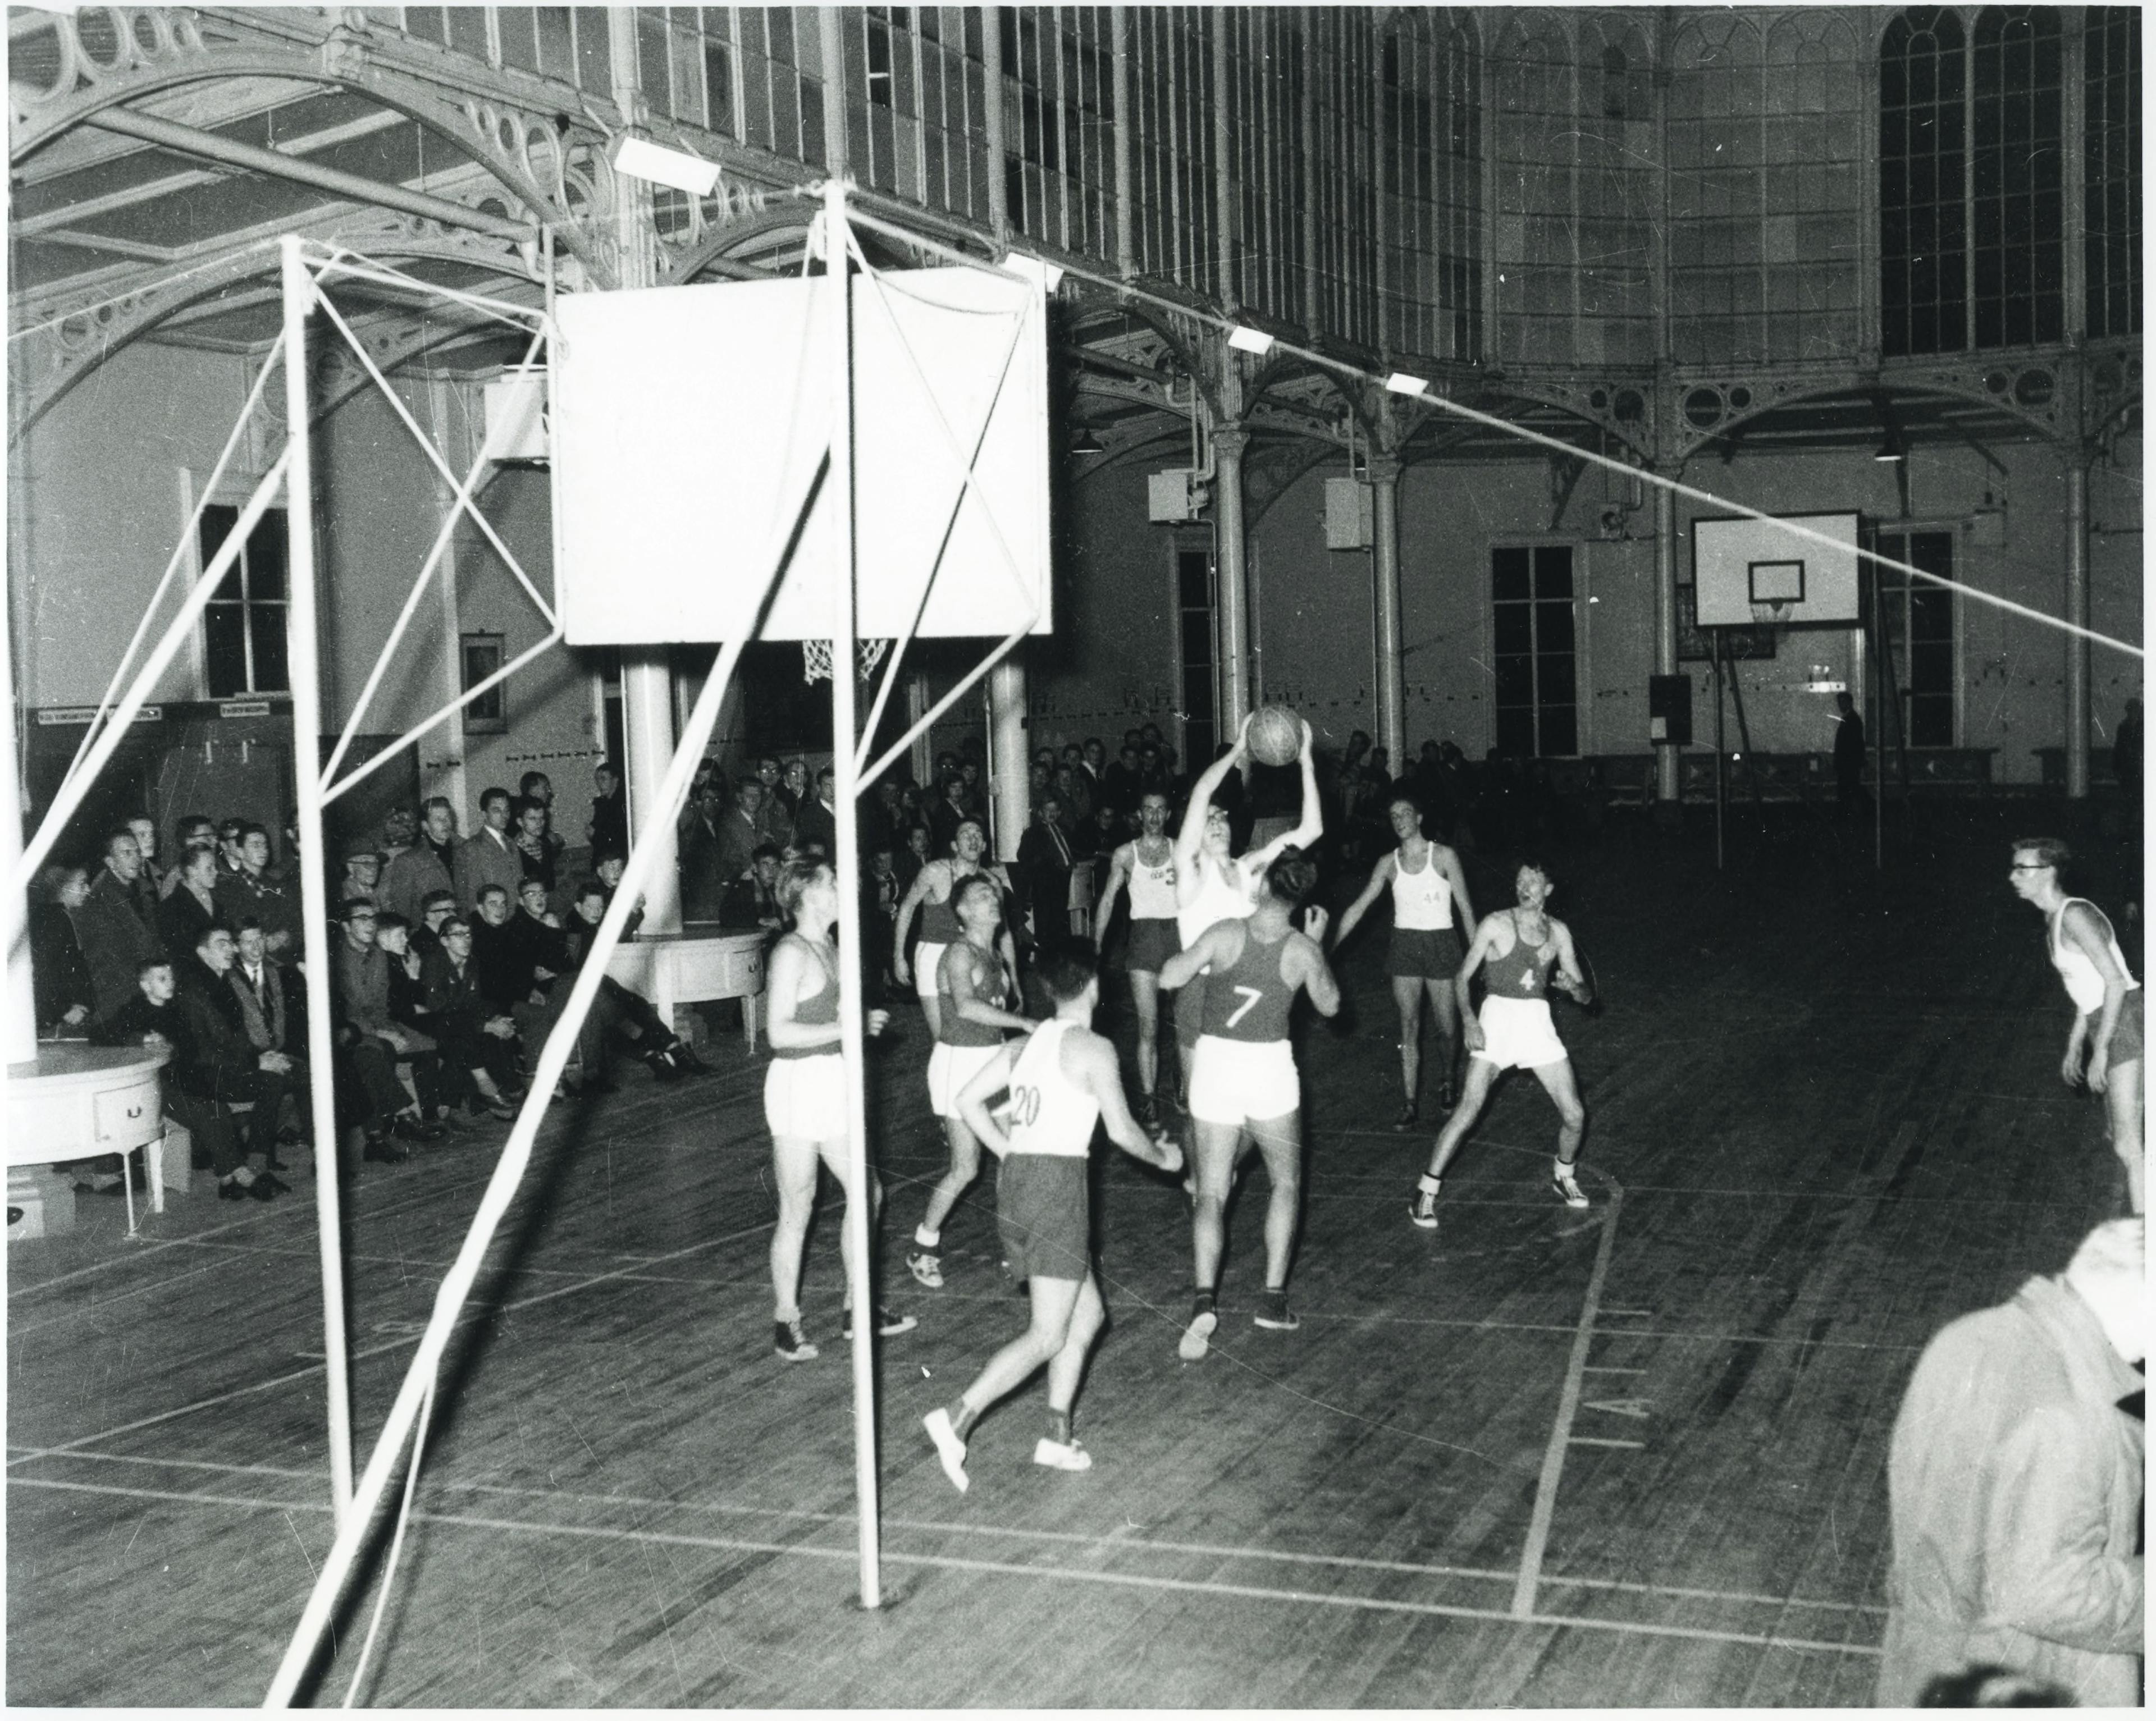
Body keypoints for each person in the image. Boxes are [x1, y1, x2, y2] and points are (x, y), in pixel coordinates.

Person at [923, 943, 1185, 1490]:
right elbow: (1122, 1132)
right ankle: (955, 1419)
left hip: (1020, 1183)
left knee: (1086, 1316)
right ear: (1093, 987)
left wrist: (1010, 1152)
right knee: (1047, 1334)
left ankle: (1056, 1437)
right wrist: (1167, 1159)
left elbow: (969, 1101)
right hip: (1058, 1188)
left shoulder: (1025, 1043)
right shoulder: (1093, 1048)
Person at [1878, 1218, 2144, 1708]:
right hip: (2035, 1677)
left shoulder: (1965, 1335)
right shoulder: (2077, 1416)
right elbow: (2048, 1594)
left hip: (1931, 1662)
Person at [1158, 850, 1339, 1356]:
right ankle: (1273, 1300)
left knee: (1212, 1192)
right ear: (1301, 897)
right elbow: (1331, 1006)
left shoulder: (1225, 931)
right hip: (1267, 1070)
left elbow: (1171, 976)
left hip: (1216, 1064)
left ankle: (1202, 1301)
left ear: (1260, 887)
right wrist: (1318, 948)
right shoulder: (1302, 947)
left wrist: (1193, 960)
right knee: (1286, 1181)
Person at [762, 858, 917, 1361]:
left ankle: (857, 1308)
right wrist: (846, 1028)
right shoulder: (790, 952)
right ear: (807, 894)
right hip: (797, 1081)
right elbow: (778, 1033)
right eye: (830, 882)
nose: (840, 887)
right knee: (798, 1204)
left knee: (867, 1192)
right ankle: (787, 1320)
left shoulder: (831, 946)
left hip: (832, 1078)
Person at [1411, 858, 1596, 1228]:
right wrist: (1468, 1020)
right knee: (1468, 1110)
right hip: (1497, 1020)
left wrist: (1572, 987)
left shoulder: (1559, 932)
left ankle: (1563, 1174)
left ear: (1548, 890)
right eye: (1519, 879)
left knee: (1575, 1115)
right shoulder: (1495, 923)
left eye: (1532, 881)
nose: (1524, 886)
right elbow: (1462, 978)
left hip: (1536, 1023)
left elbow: (1587, 997)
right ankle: (1424, 1192)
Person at [1168, 713, 1322, 1111]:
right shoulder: (1191, 871)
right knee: (1199, 1105)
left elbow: (1311, 831)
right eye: (1208, 820)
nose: (1217, 823)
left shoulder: (1249, 867)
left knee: (1244, 1105)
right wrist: (1239, 749)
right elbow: (1202, 793)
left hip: (1249, 986)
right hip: (1200, 991)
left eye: (1223, 818)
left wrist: (1305, 760)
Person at [907, 875, 1031, 1289]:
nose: (994, 900)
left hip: (993, 1062)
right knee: (965, 1167)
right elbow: (966, 1007)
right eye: (983, 896)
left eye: (995, 894)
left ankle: (1016, 1250)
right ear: (962, 910)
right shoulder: (958, 955)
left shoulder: (991, 951)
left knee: (1013, 1157)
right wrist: (1024, 1023)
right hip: (959, 1066)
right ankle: (923, 1245)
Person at [2010, 837, 2144, 1212]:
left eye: (2024, 869)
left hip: (2127, 1019)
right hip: (2110, 1018)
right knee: (2116, 1134)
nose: (2013, 876)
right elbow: (2087, 991)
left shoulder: (2075, 915)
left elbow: (2116, 983)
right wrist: (2074, 1045)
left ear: (2049, 872)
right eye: (2014, 868)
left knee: (2128, 1144)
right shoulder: (2055, 918)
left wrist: (2100, 1050)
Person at [1330, 792, 1477, 1126]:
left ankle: (1449, 1078)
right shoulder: (1387, 863)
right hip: (1405, 945)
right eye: (1394, 816)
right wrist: (1329, 949)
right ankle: (1410, 1103)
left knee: (1447, 1028)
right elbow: (1358, 908)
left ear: (1419, 818)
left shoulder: (1444, 856)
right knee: (1408, 1026)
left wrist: (1475, 959)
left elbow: (1467, 910)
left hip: (1442, 944)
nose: (1400, 821)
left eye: (1405, 813)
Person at [1091, 790, 1182, 1126]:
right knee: (1149, 1026)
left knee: (1184, 1022)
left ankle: (1181, 1079)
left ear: (1168, 815)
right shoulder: (1125, 854)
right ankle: (1149, 1098)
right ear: (1139, 816)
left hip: (1178, 940)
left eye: (1161, 810)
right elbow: (1107, 900)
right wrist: (1096, 943)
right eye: (1149, 810)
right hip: (1143, 943)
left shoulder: (1181, 849)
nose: (1155, 816)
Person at [892, 817, 1015, 1040]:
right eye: (966, 834)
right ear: (955, 846)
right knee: (943, 1036)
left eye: (978, 834)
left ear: (985, 845)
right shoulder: (935, 872)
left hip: (974, 955)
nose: (973, 839)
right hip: (935, 951)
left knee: (982, 1030)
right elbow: (907, 908)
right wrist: (899, 956)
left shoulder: (991, 882)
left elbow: (1004, 933)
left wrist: (1013, 977)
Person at [74, 827, 165, 1028]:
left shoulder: (145, 893)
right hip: (121, 997)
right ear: (110, 862)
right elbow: (106, 959)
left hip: (149, 992)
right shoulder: (99, 901)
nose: (136, 859)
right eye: (127, 853)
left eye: (137, 852)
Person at [31, 864, 97, 1036]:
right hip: (60, 1022)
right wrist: (63, 1009)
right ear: (62, 886)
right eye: (82, 884)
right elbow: (42, 970)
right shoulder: (55, 920)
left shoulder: (58, 916)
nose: (88, 890)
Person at [379, 798, 458, 926]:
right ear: (425, 825)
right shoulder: (409, 861)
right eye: (438, 819)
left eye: (448, 818)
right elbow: (401, 911)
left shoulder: (464, 851)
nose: (446, 823)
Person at [1016, 795, 1078, 944]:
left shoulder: (1063, 830)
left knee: (1060, 919)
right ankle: (1044, 958)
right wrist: (1042, 858)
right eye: (1048, 810)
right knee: (1045, 922)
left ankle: (1058, 956)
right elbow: (1023, 856)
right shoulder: (1033, 832)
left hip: (1062, 881)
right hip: (1044, 884)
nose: (1052, 813)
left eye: (1056, 810)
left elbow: (1071, 850)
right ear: (1040, 813)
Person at [454, 786, 524, 913]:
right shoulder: (472, 848)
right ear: (484, 814)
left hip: (515, 918)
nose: (504, 816)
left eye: (507, 810)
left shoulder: (511, 843)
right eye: (497, 811)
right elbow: (471, 896)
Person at [159, 843, 223, 956]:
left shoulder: (218, 899)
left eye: (215, 867)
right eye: (209, 868)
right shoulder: (172, 907)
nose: (216, 872)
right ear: (192, 871)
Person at [1833, 690, 1868, 824]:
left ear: (1849, 703)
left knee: (1847, 791)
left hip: (1848, 764)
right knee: (1851, 791)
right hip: (1849, 764)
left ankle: (1846, 818)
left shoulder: (1851, 720)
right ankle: (1850, 817)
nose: (1840, 705)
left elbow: (1853, 744)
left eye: (1842, 702)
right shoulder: (1851, 719)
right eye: (1839, 702)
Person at [792, 765, 838, 859]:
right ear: (818, 788)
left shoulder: (849, 810)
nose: (833, 791)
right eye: (828, 785)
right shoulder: (808, 815)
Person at [587, 761, 628, 860]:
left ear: (616, 780)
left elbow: (618, 836)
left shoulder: (622, 804)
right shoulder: (601, 804)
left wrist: (595, 834)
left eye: (603, 779)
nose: (599, 784)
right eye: (597, 780)